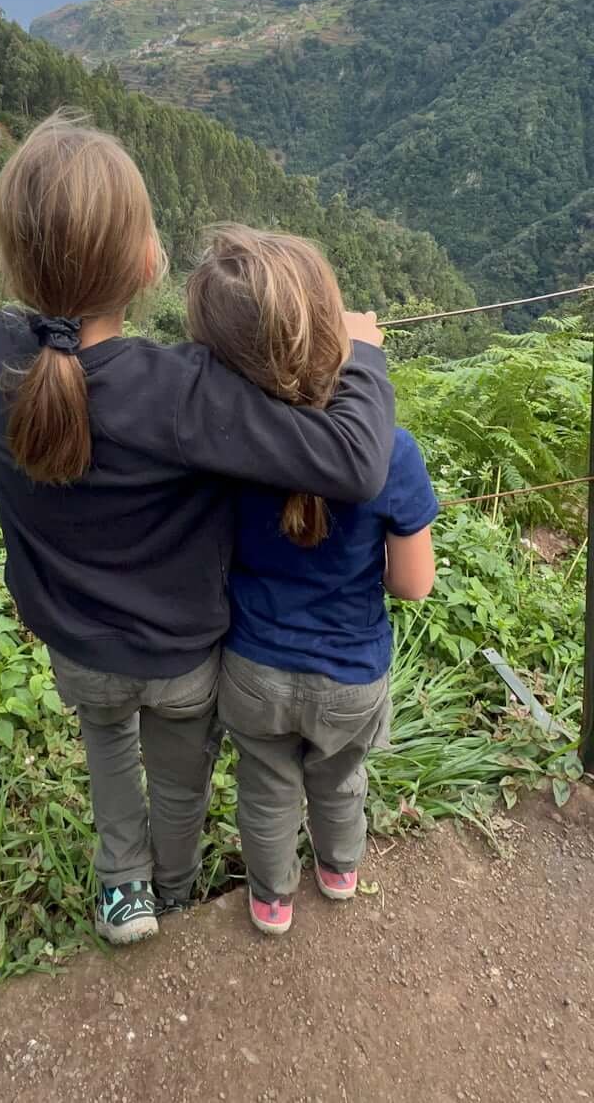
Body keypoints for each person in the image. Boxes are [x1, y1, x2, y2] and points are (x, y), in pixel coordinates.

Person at [0, 115, 395, 946]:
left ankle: (123, 890)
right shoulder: (181, 390)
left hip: (76, 645)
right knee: (179, 783)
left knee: (107, 748)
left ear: (10, 258)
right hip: (182, 652)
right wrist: (361, 355)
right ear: (146, 263)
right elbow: (355, 463)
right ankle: (175, 891)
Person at [187, 224, 438, 936]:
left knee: (266, 790)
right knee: (339, 779)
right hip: (351, 674)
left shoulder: (223, 449)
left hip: (254, 667)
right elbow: (414, 585)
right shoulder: (392, 452)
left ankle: (271, 901)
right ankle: (340, 870)